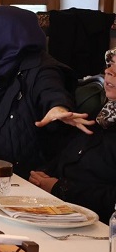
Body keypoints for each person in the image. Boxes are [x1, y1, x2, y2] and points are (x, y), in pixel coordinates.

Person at [0, 5, 93, 177]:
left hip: (25, 178)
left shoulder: (43, 69)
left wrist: (58, 107)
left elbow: (51, 90)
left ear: (3, 34)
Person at [29, 59, 116, 220]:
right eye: (110, 64)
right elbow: (68, 156)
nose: (109, 71)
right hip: (62, 211)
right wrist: (41, 176)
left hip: (99, 225)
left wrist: (60, 188)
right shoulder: (104, 113)